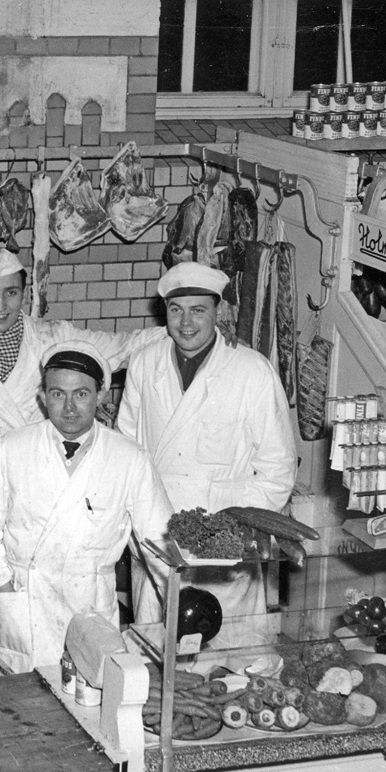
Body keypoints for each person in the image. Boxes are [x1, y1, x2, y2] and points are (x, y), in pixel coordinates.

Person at [0, 245, 169, 679]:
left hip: (56, 496)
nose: (1, 305)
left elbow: (126, 344)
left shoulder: (55, 339)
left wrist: (186, 330)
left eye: (12, 293)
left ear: (26, 293)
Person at [0, 342, 173, 675]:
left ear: (101, 395)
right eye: (58, 394)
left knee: (89, 707)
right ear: (42, 397)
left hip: (89, 605)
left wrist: (179, 600)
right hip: (24, 603)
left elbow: (160, 540)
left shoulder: (129, 458)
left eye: (81, 394)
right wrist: (1, 583)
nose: (70, 407)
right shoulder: (12, 448)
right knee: (19, 710)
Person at [117, 262, 297, 629]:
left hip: (223, 553)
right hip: (157, 539)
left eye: (198, 310)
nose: (186, 322)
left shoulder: (252, 371)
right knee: (156, 658)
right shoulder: (144, 363)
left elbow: (278, 470)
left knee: (228, 659)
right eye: (176, 310)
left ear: (219, 312)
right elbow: (126, 450)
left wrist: (234, 531)